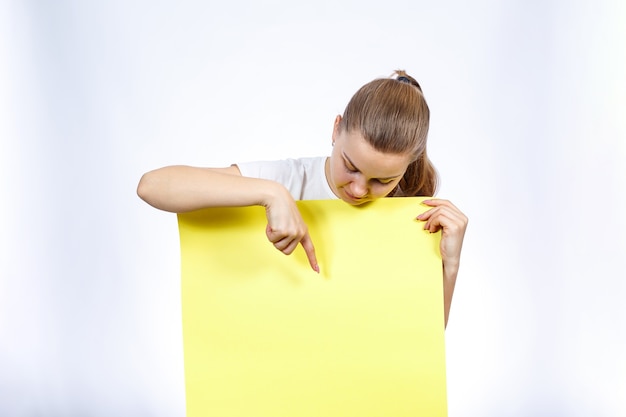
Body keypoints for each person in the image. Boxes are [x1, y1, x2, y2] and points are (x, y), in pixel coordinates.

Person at [137, 70, 468, 327]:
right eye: (350, 167)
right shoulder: (290, 179)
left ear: (407, 166)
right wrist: (271, 192)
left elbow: (423, 340)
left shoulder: (414, 214)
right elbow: (152, 186)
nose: (358, 190)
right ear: (336, 129)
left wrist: (450, 264)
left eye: (383, 181)